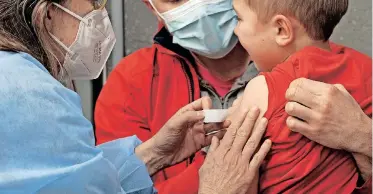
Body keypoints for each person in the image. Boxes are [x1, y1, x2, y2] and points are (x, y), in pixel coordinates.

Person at [95, 0, 372, 193]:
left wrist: (364, 138)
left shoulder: (354, 75)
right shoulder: (131, 83)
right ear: (150, 5)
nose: (200, 6)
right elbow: (104, 187)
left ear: (281, 29)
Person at [0, 0, 271, 193]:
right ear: (48, 13)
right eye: (93, 2)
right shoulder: (30, 96)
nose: (99, 12)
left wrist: (154, 153)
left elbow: (86, 178)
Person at [232, 0, 372, 193]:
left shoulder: (262, 90)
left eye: (238, 19)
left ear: (281, 30)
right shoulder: (366, 70)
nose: (235, 31)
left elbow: (239, 182)